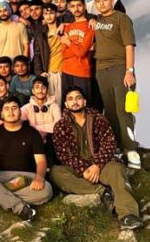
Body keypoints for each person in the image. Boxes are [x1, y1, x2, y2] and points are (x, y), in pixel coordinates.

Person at [51, 86, 143, 230]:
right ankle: (102, 192)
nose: (75, 102)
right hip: (78, 168)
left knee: (117, 170)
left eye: (78, 98)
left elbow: (109, 144)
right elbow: (64, 154)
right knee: (56, 173)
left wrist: (96, 165)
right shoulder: (60, 126)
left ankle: (128, 215)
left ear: (84, 101)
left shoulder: (98, 119)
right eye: (70, 99)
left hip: (102, 164)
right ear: (66, 105)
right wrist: (84, 170)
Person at [0, 96, 53, 221]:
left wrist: (40, 177)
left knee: (47, 191)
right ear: (1, 114)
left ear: (20, 112)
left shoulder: (32, 133)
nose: (11, 112)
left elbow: (41, 161)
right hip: (2, 175)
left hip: (27, 177)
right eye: (7, 109)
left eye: (14, 108)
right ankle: (19, 207)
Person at [93, 0, 140, 169]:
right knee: (110, 112)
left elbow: (129, 46)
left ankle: (131, 150)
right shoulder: (96, 21)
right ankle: (114, 149)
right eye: (98, 1)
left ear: (111, 1)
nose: (102, 3)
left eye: (105, 0)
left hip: (120, 68)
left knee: (124, 110)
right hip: (101, 70)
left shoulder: (122, 18)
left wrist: (129, 70)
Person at [59, 0, 97, 108]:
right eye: (73, 6)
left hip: (82, 71)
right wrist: (79, 48)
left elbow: (81, 53)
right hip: (66, 70)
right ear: (69, 8)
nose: (76, 9)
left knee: (83, 106)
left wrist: (69, 42)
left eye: (79, 5)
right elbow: (64, 53)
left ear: (84, 6)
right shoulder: (67, 27)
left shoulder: (90, 26)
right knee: (67, 107)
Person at [21, 77, 61, 165]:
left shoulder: (54, 106)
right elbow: (16, 119)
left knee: (53, 137)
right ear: (33, 90)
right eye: (37, 87)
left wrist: (35, 127)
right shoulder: (27, 107)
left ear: (47, 90)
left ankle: (51, 167)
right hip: (34, 143)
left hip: (50, 144)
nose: (40, 90)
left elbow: (58, 126)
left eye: (43, 87)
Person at [33, 3, 64, 104]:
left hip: (63, 72)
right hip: (48, 73)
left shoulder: (64, 28)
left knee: (63, 103)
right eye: (46, 13)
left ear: (57, 14)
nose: (49, 16)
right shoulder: (40, 33)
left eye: (51, 13)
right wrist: (39, 72)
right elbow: (37, 54)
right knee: (49, 104)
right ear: (43, 16)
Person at [0, 1, 29, 76]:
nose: (3, 13)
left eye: (5, 10)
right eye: (0, 11)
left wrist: (23, 64)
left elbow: (26, 47)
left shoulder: (20, 26)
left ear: (10, 11)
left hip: (18, 68)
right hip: (3, 69)